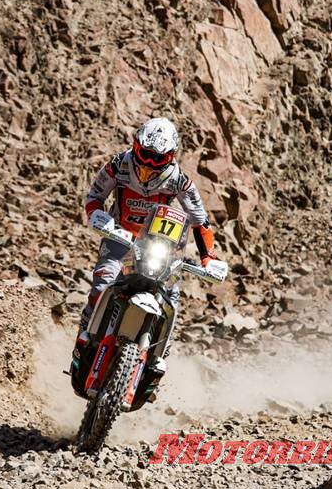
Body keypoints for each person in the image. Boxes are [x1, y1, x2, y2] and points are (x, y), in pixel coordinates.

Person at [70, 117, 228, 398]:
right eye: (145, 155)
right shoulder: (119, 164)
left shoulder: (179, 180)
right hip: (121, 237)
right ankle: (84, 339)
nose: (150, 164)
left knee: (172, 301)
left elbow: (200, 221)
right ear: (136, 146)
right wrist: (97, 214)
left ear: (171, 156)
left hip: (160, 248)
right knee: (102, 282)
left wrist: (209, 258)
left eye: (159, 158)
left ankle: (156, 361)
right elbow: (94, 194)